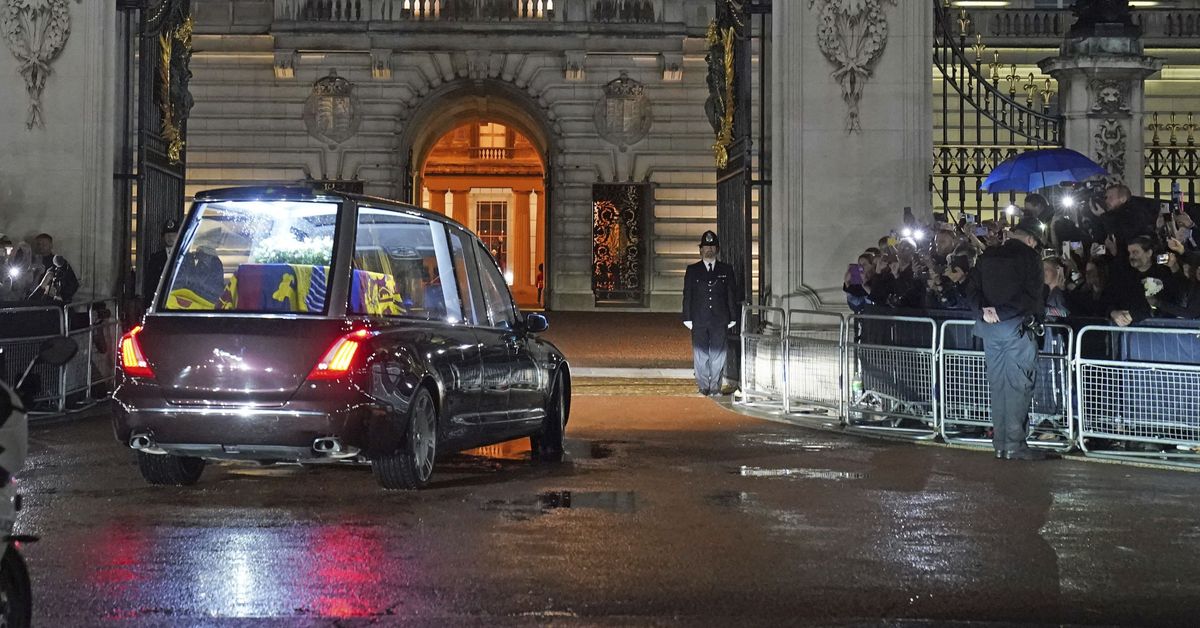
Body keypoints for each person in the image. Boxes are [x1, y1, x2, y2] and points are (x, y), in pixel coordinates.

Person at [966, 217, 1056, 461]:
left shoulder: (988, 255)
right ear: (1031, 239)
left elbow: (971, 288)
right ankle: (1015, 444)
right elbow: (1032, 297)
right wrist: (1002, 312)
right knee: (1018, 387)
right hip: (1016, 328)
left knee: (998, 387)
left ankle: (1000, 444)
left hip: (988, 329)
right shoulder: (1030, 258)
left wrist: (984, 311)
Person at [682, 230, 738, 397]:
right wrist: (687, 317)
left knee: (718, 355)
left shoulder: (726, 269)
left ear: (717, 249)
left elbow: (730, 293)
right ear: (700, 250)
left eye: (712, 247)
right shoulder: (693, 270)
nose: (709, 250)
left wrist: (732, 316)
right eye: (706, 247)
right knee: (700, 354)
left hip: (720, 317)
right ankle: (703, 387)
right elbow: (688, 295)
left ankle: (715, 387)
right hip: (699, 318)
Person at [29, 233, 79, 302]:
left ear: (51, 245)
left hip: (51, 302)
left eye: (44, 244)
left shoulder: (59, 262)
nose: (41, 247)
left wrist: (62, 297)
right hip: (34, 300)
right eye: (38, 244)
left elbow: (73, 283)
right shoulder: (31, 261)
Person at [143, 218, 180, 308]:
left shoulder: (186, 258)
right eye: (167, 235)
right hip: (160, 304)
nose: (170, 238)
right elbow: (150, 284)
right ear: (163, 237)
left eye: (173, 235)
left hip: (179, 303)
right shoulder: (156, 258)